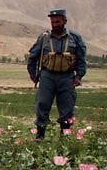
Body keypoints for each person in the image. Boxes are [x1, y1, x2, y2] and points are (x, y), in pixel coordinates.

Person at [27, 9, 87, 140]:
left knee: (67, 108)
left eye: (58, 21)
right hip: (47, 76)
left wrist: (79, 76)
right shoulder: (44, 38)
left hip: (67, 78)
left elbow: (81, 59)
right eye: (52, 22)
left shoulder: (75, 38)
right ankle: (40, 137)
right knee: (42, 105)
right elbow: (32, 57)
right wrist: (33, 75)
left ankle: (64, 139)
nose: (55, 24)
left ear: (64, 21)